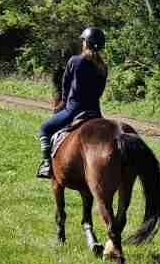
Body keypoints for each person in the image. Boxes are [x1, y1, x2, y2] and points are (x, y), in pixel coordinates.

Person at [38, 26, 109, 178]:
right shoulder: (103, 67)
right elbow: (100, 92)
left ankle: (46, 165)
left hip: (73, 110)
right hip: (95, 112)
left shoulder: (75, 61)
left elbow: (66, 86)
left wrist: (63, 104)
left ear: (86, 43)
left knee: (44, 128)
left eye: (83, 40)